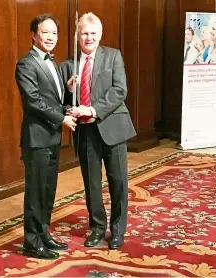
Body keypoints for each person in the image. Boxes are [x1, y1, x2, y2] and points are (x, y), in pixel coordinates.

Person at [59, 12, 136, 250]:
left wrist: (92, 110)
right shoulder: (68, 64)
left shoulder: (113, 56)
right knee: (92, 183)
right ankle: (97, 228)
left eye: (93, 33)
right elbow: (61, 102)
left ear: (100, 35)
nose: (89, 37)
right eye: (84, 33)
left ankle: (118, 230)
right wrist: (67, 90)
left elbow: (119, 90)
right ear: (77, 36)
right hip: (85, 133)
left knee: (118, 182)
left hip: (112, 127)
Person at [15, 13, 77, 260]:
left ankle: (43, 233)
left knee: (48, 190)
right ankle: (32, 242)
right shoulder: (26, 63)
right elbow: (33, 102)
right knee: (35, 192)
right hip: (37, 139)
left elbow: (51, 99)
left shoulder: (53, 62)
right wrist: (61, 118)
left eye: (54, 33)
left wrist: (67, 92)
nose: (51, 37)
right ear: (33, 35)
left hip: (51, 138)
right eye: (46, 32)